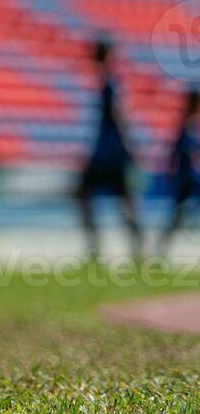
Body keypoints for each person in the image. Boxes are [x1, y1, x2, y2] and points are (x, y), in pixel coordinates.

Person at [76, 38, 145, 262]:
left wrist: (128, 149)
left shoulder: (108, 84)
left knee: (87, 198)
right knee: (121, 201)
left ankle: (98, 250)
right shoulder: (108, 82)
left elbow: (119, 119)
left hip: (106, 153)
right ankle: (134, 250)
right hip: (109, 151)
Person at [158, 88, 200, 258]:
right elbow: (176, 152)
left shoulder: (192, 126)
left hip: (192, 179)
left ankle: (160, 252)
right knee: (176, 218)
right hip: (186, 179)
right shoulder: (186, 127)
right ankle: (160, 253)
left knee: (176, 218)